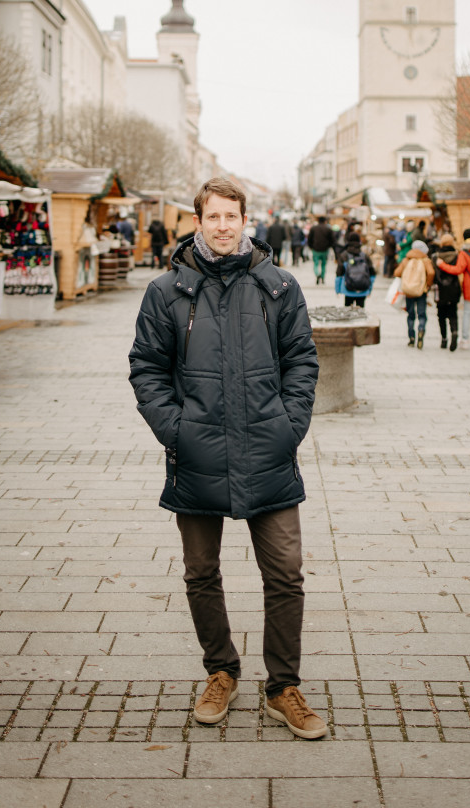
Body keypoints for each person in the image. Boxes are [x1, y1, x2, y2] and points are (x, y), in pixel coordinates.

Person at [129, 178, 327, 740]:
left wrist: (289, 427)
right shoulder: (166, 292)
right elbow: (146, 367)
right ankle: (221, 670)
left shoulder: (279, 287)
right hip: (197, 453)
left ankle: (283, 685)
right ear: (198, 221)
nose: (222, 225)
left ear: (246, 220)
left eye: (231, 216)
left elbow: (302, 361)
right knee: (201, 572)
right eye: (212, 216)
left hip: (269, 450)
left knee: (286, 573)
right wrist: (177, 430)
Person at [395, 239, 435, 348]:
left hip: (408, 292)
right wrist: (428, 284)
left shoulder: (406, 259)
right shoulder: (425, 260)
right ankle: (421, 330)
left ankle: (411, 338)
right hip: (421, 291)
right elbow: (431, 272)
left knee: (411, 315)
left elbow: (397, 273)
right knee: (422, 314)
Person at [335, 232, 376, 307]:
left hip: (348, 289)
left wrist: (338, 290)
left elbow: (339, 274)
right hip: (362, 289)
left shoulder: (344, 255)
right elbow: (372, 274)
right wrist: (369, 289)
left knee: (347, 311)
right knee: (361, 312)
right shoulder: (364, 256)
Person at [307, 216, 335, 285]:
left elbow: (309, 238)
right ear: (325, 221)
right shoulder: (328, 229)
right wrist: (329, 246)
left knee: (316, 263)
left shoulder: (313, 228)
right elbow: (332, 240)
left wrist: (311, 246)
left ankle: (317, 274)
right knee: (323, 264)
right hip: (325, 249)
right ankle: (322, 277)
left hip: (315, 249)